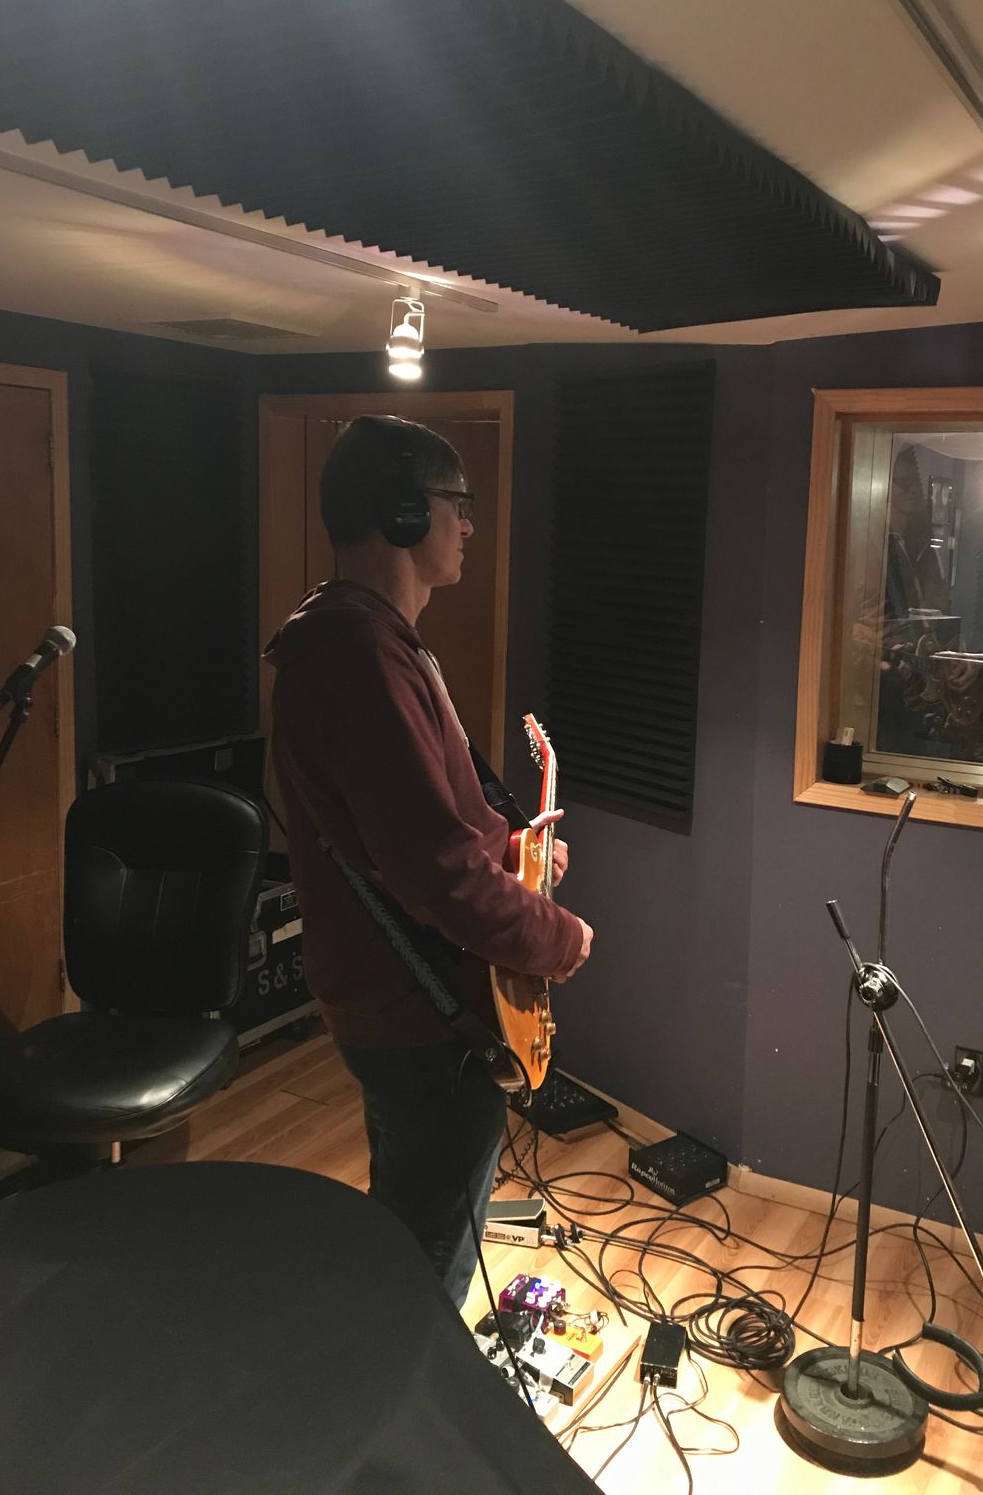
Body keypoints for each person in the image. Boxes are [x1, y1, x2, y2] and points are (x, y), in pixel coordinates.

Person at [264, 414, 593, 1307]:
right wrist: (557, 938)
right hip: (422, 1010)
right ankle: (409, 1389)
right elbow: (434, 872)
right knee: (427, 1261)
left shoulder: (369, 639)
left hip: (408, 997)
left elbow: (412, 827)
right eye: (458, 504)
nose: (470, 525)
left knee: (413, 1224)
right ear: (404, 513)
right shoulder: (362, 655)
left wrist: (512, 850)